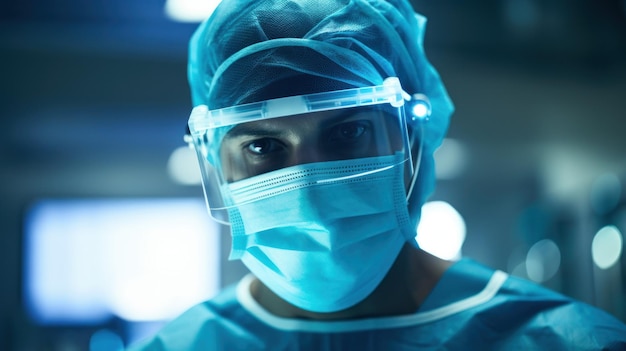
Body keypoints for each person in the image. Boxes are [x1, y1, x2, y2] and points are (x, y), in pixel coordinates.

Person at [128, 0, 626, 349]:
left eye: (347, 134)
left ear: (412, 139)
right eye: (263, 146)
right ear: (215, 162)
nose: (309, 188)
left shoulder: (560, 340)